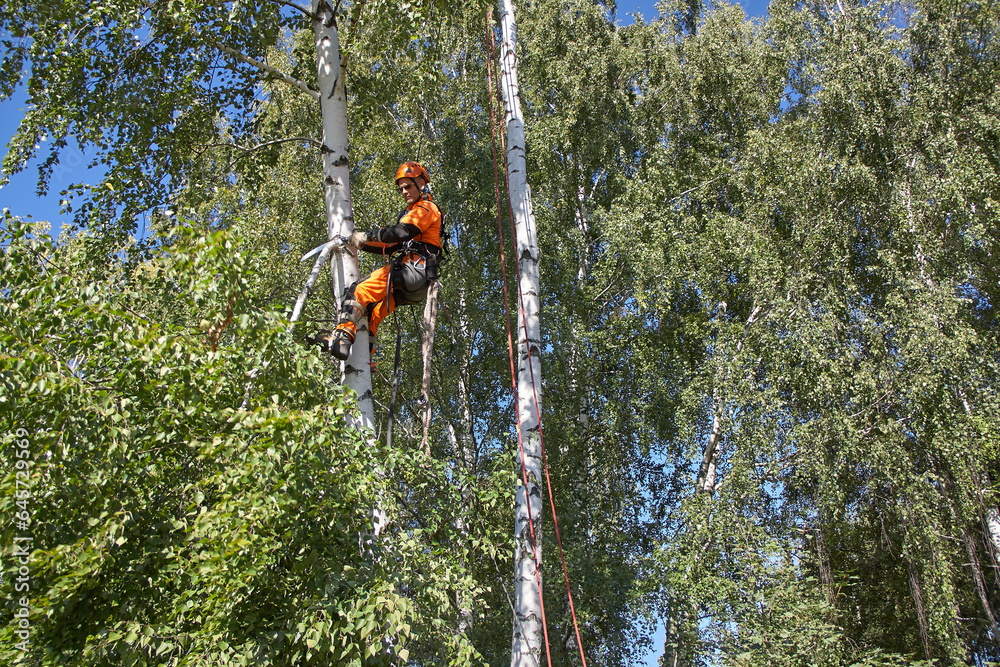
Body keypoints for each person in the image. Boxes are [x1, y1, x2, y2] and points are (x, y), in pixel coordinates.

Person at [322, 161, 443, 362]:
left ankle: (342, 337)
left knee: (359, 290)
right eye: (401, 189)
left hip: (413, 271)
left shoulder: (426, 208)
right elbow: (393, 245)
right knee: (373, 313)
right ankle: (366, 361)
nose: (404, 192)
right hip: (416, 286)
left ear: (421, 183)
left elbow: (402, 232)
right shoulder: (414, 212)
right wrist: (362, 243)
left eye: (408, 186)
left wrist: (370, 234)